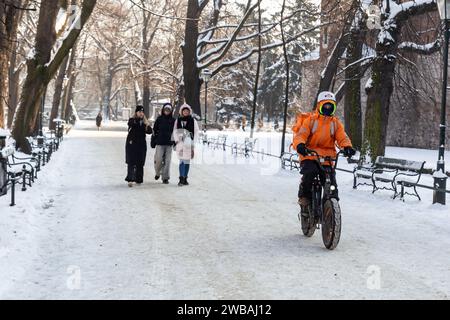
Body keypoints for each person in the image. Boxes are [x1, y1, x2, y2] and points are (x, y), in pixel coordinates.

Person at [293, 91, 356, 211]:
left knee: (331, 181)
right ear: (319, 106)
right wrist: (300, 145)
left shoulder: (335, 123)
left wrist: (347, 147)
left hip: (327, 158)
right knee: (310, 172)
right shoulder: (311, 121)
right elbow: (301, 134)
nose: (327, 108)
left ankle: (331, 205)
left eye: (330, 106)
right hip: (310, 155)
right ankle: (304, 197)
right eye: (325, 106)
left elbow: (342, 137)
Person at [125, 105, 153, 187]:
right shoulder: (132, 120)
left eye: (142, 112)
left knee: (140, 162)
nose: (141, 113)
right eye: (139, 112)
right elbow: (130, 124)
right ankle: (130, 179)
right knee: (131, 162)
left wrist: (146, 124)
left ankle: (138, 179)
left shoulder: (144, 122)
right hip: (132, 144)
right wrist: (137, 122)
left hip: (141, 145)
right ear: (136, 113)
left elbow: (150, 131)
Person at [173, 104, 199, 187]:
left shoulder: (193, 120)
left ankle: (185, 178)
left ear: (189, 112)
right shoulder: (178, 120)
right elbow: (175, 130)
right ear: (181, 111)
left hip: (189, 143)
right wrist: (176, 141)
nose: (186, 112)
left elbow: (196, 132)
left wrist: (193, 143)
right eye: (184, 111)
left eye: (187, 111)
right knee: (181, 161)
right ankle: (181, 178)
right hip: (180, 143)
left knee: (187, 161)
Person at [153, 103, 176, 184]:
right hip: (160, 143)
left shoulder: (173, 120)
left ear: (171, 111)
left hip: (169, 144)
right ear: (163, 110)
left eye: (168, 110)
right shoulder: (159, 119)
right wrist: (153, 140)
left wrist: (175, 142)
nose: (167, 111)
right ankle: (157, 172)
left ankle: (165, 177)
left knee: (167, 161)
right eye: (166, 109)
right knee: (158, 160)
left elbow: (175, 132)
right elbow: (154, 130)